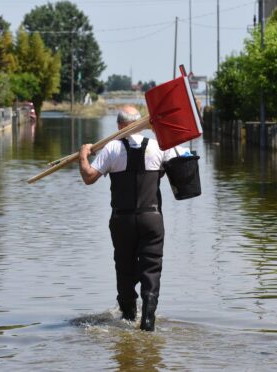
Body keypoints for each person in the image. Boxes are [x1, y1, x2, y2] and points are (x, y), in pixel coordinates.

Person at [79, 105, 176, 332]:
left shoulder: (112, 148)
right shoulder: (158, 145)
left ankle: (128, 317)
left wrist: (83, 155)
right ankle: (148, 322)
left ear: (119, 126)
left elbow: (89, 177)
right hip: (152, 218)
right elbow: (182, 165)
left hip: (122, 220)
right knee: (152, 269)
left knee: (124, 269)